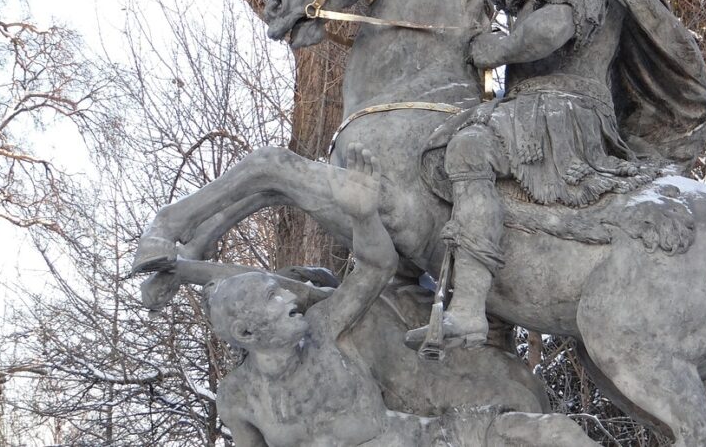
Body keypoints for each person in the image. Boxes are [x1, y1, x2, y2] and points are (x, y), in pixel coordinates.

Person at [408, 0, 706, 349]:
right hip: (521, 111)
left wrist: (498, 50)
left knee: (468, 146)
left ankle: (469, 311)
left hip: (571, 115)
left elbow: (555, 28)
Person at [207, 147, 597, 446]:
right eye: (273, 298)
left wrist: (363, 216)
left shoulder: (324, 327)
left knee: (556, 434)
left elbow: (376, 269)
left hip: (433, 438)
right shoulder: (238, 398)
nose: (290, 301)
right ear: (246, 332)